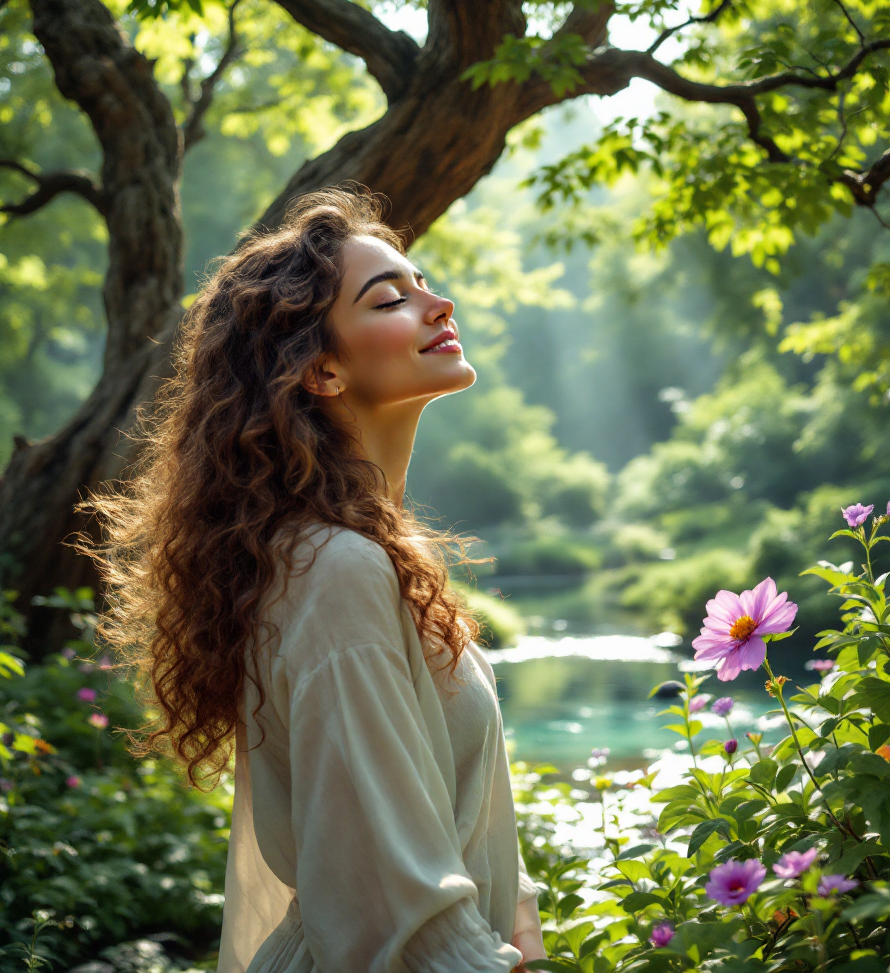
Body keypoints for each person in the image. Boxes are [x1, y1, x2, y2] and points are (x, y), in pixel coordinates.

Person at [86, 189, 547, 973]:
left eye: (424, 281)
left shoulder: (372, 551)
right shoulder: (336, 569)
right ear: (323, 368)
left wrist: (524, 934)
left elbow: (468, 825)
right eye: (393, 298)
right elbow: (392, 907)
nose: (441, 304)